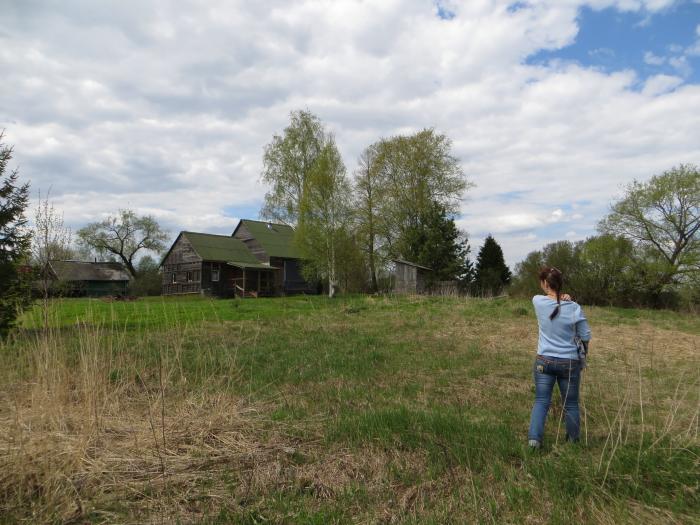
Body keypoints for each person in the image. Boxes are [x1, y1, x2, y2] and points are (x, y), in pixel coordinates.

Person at [527, 267, 591, 448]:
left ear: (545, 284)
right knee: (570, 404)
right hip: (569, 362)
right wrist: (567, 299)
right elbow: (585, 336)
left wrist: (561, 297)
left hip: (544, 360)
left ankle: (534, 441)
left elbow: (549, 299)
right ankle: (572, 442)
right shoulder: (574, 308)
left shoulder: (537, 302)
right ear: (560, 285)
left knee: (541, 401)